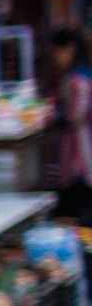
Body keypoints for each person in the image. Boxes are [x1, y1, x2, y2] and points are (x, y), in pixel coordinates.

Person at [50, 26, 92, 226]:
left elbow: (75, 116)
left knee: (79, 218)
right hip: (78, 163)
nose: (57, 58)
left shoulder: (77, 79)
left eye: (59, 51)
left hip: (79, 163)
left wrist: (54, 115)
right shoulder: (81, 75)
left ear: (70, 48)